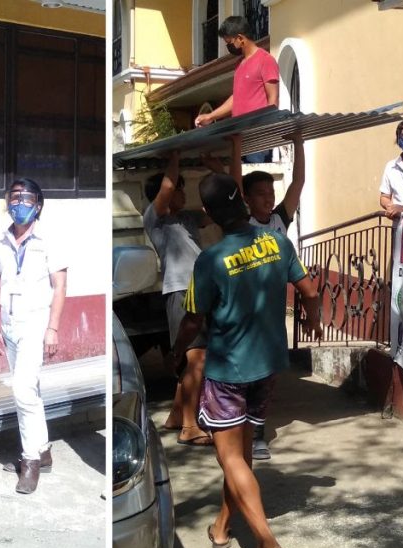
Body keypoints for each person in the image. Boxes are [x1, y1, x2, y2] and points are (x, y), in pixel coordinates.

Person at [173, 173, 322, 548]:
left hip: (228, 370)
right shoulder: (277, 242)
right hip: (268, 365)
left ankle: (266, 543)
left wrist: (177, 352)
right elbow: (308, 291)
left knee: (230, 457)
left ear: (208, 213)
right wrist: (316, 321)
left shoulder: (210, 260)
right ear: (241, 201)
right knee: (239, 454)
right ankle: (222, 526)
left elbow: (192, 320)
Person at [0, 178, 67, 494]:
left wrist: (53, 329)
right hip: (8, 325)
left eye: (27, 198)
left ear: (39, 205)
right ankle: (43, 449)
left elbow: (60, 287)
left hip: (35, 324)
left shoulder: (49, 241)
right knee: (29, 389)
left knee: (22, 389)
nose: (19, 203)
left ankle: (30, 460)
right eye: (15, 197)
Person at [240, 131, 305, 459]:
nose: (268, 198)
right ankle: (249, 433)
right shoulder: (242, 222)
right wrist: (236, 144)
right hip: (246, 312)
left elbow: (298, 185)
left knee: (268, 373)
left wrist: (298, 143)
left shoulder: (280, 219)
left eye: (270, 192)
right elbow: (234, 185)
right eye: (260, 194)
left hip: (274, 314)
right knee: (248, 372)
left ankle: (258, 431)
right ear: (247, 199)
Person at [143, 152, 215, 446]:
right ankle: (189, 427)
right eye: (180, 187)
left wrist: (218, 168)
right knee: (197, 359)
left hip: (200, 289)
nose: (182, 192)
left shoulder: (188, 219)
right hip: (181, 290)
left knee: (191, 359)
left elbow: (218, 206)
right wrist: (177, 153)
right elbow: (168, 188)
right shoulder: (154, 218)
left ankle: (175, 416)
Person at [194, 15, 279, 164]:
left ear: (240, 38)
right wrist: (210, 116)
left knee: (254, 182)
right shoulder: (240, 64)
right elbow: (237, 98)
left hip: (256, 138)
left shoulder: (266, 60)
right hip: (238, 136)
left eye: (229, 42)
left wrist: (265, 133)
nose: (228, 47)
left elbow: (273, 100)